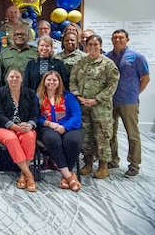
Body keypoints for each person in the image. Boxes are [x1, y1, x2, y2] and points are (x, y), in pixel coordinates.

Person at [70, 35, 120, 179]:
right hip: (83, 107)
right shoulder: (80, 62)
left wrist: (96, 100)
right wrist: (78, 96)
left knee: (102, 137)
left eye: (95, 44)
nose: (92, 47)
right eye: (89, 44)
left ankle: (103, 166)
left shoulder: (108, 64)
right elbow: (73, 80)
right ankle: (88, 163)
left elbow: (112, 86)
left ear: (100, 45)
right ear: (85, 46)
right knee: (86, 136)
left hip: (101, 108)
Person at [107, 29, 150, 177]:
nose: (118, 40)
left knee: (132, 134)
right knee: (110, 133)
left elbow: (145, 78)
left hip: (129, 101)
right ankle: (113, 159)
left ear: (127, 39)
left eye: (121, 37)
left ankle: (134, 164)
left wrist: (135, 93)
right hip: (111, 101)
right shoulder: (108, 57)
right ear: (111, 40)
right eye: (115, 38)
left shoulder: (137, 57)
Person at [0, 69, 39, 192]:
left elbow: (35, 115)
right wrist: (14, 126)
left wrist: (29, 125)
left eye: (17, 77)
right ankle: (29, 175)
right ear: (7, 78)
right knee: (11, 138)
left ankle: (23, 175)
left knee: (29, 137)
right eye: (11, 77)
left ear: (22, 79)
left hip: (25, 127)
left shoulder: (30, 93)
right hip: (3, 127)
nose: (14, 79)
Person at [36, 71, 83, 192]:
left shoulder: (68, 96)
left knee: (72, 140)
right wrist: (49, 123)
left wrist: (65, 127)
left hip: (69, 126)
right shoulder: (38, 97)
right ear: (44, 81)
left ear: (59, 82)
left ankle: (65, 175)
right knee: (53, 139)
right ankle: (69, 176)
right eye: (49, 80)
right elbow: (35, 116)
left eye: (54, 80)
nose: (51, 82)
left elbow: (76, 116)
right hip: (47, 126)